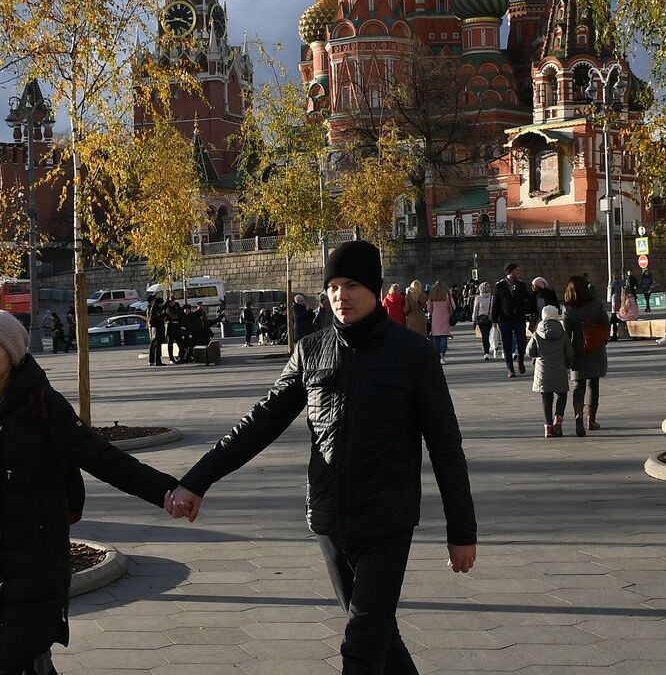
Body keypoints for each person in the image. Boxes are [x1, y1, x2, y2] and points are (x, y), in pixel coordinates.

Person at [165, 240, 476, 674]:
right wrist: (197, 479)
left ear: (374, 287)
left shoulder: (414, 355)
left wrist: (462, 531)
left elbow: (446, 448)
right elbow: (260, 422)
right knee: (380, 640)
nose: (339, 296)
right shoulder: (310, 351)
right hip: (329, 520)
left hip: (386, 521)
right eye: (332, 286)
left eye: (351, 285)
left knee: (360, 647)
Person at [0, 310, 181, 675]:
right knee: (4, 655)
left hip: (34, 554)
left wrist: (165, 490)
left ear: (12, 352)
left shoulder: (43, 404)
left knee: (7, 654)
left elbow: (101, 456)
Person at [562, 274, 607, 435]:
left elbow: (566, 336)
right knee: (593, 385)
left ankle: (578, 416)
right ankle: (591, 420)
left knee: (578, 385)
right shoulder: (597, 304)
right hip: (595, 348)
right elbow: (606, 325)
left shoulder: (568, 310)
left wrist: (567, 355)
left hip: (577, 350)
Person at [528, 304, 575, 437]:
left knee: (546, 398)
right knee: (562, 394)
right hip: (559, 369)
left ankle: (548, 427)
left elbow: (529, 351)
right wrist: (569, 364)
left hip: (543, 371)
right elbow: (569, 353)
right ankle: (558, 420)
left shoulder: (538, 333)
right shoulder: (562, 333)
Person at [493, 264, 533, 377]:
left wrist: (526, 309)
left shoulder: (521, 285)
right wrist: (494, 320)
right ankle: (510, 368)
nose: (518, 272)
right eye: (516, 271)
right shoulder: (499, 286)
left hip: (519, 318)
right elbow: (495, 303)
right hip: (505, 319)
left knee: (521, 340)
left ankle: (520, 360)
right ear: (510, 272)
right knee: (507, 344)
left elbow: (528, 299)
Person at [425, 280, 453, 362]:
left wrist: (433, 313)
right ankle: (442, 354)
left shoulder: (431, 296)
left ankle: (437, 355)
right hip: (445, 317)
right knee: (444, 337)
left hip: (435, 318)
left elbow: (429, 309)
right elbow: (452, 306)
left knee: (436, 337)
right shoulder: (446, 295)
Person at [472, 280, 496, 360]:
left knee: (492, 335)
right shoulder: (478, 298)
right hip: (482, 320)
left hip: (491, 320)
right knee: (485, 336)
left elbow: (494, 309)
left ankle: (494, 349)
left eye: (489, 287)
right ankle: (486, 352)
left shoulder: (492, 297)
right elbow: (476, 309)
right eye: (487, 287)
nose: (489, 288)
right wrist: (474, 320)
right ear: (482, 288)